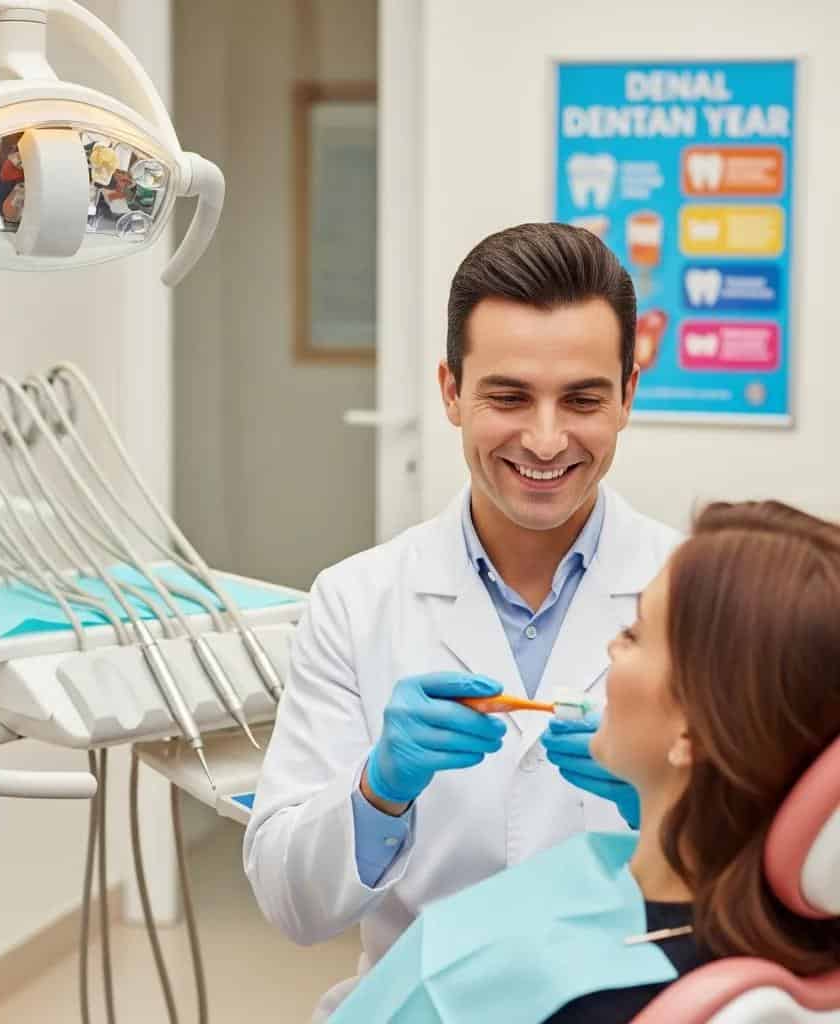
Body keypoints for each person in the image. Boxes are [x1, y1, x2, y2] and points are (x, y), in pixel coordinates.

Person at [243, 222, 681, 1020]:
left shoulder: (698, 596)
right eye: (508, 397)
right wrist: (377, 791)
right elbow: (291, 903)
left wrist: (660, 810)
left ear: (627, 396)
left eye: (582, 399)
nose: (545, 439)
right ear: (451, 392)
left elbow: (782, 881)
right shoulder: (355, 601)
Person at [330, 500, 840, 1022]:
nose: (612, 646)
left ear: (692, 730)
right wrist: (377, 794)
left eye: (635, 634)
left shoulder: (579, 1001)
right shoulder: (791, 941)